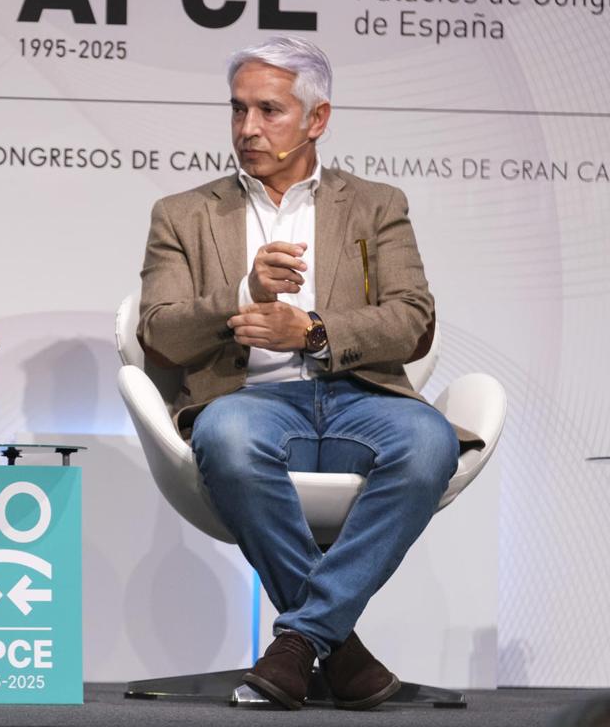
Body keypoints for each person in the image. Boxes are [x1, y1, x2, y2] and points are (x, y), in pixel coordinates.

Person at [137, 35, 480, 711]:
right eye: (238, 111)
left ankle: (298, 642)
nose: (247, 129)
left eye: (269, 111)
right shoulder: (182, 213)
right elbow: (159, 331)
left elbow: (413, 318)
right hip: (250, 399)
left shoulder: (376, 205)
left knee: (430, 442)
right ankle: (336, 647)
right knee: (228, 440)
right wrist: (242, 293)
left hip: (359, 395)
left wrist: (315, 331)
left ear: (316, 119)